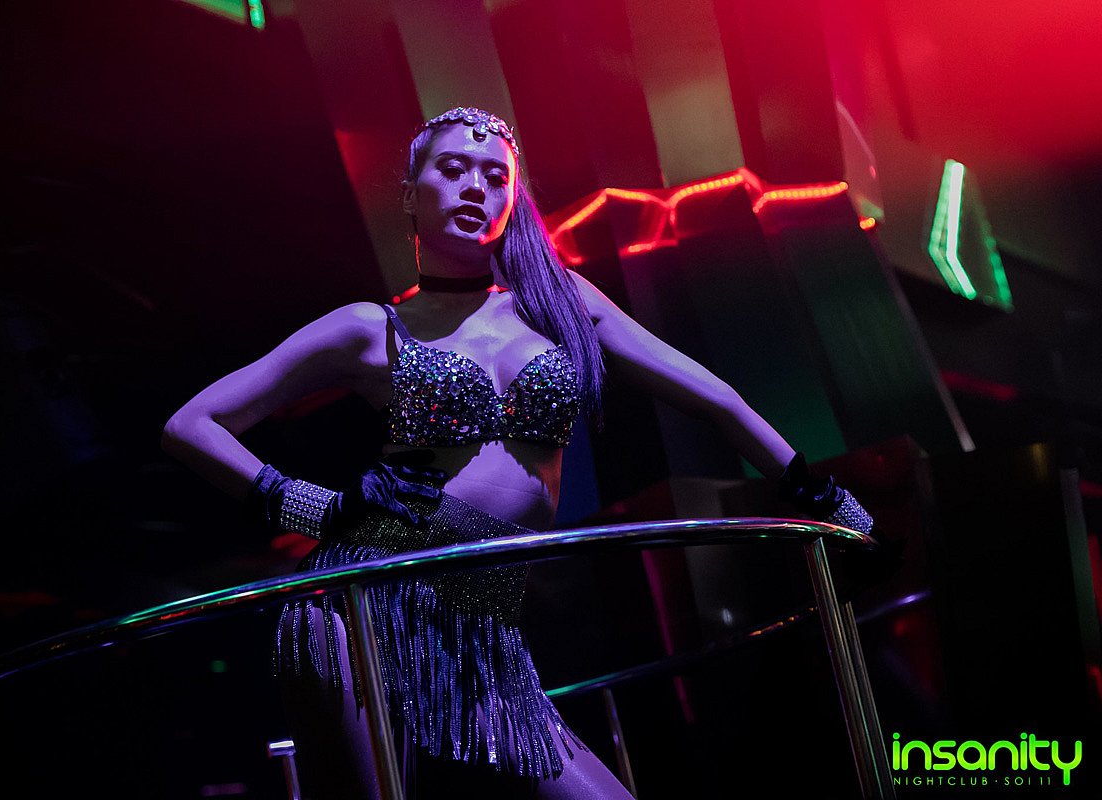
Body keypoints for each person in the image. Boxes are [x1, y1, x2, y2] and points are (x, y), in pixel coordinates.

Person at [160, 106, 873, 799]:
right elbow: (192, 424)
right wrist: (322, 510)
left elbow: (715, 398)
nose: (475, 187)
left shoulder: (559, 304)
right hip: (362, 603)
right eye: (452, 169)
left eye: (495, 176)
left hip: (486, 622)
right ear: (409, 195)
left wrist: (825, 497)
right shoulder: (368, 328)